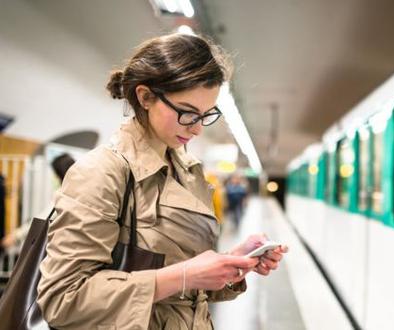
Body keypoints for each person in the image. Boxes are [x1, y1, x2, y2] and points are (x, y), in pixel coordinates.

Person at [37, 34, 288, 329]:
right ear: (145, 97)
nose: (196, 129)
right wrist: (183, 276)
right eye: (187, 113)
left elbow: (178, 284)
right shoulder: (101, 173)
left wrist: (230, 263)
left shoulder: (186, 170)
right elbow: (62, 299)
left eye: (206, 115)